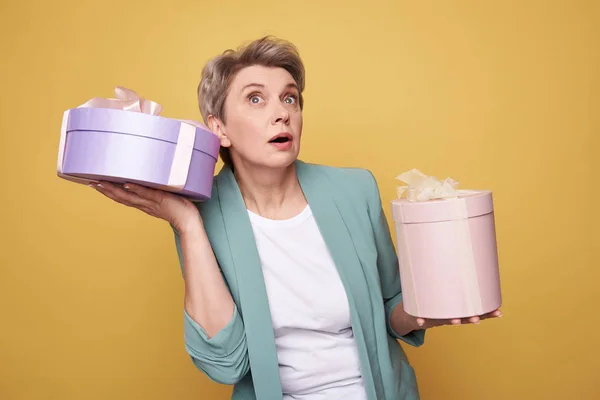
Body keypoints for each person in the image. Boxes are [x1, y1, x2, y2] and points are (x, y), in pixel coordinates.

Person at [92, 36, 501, 400]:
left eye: (290, 98)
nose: (281, 113)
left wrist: (423, 310)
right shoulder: (202, 214)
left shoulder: (354, 190)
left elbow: (391, 306)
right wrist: (187, 224)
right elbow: (225, 363)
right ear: (219, 128)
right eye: (256, 99)